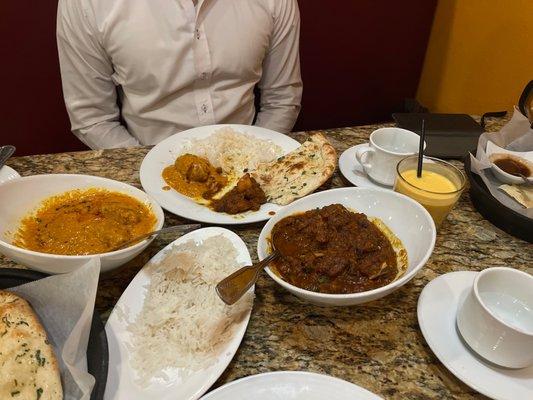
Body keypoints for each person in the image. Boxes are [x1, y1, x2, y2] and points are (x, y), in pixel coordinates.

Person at [57, 0, 302, 149]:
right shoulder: (85, 4)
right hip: (146, 159)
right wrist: (150, 170)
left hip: (252, 160)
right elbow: (92, 117)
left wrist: (258, 160)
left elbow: (282, 99)